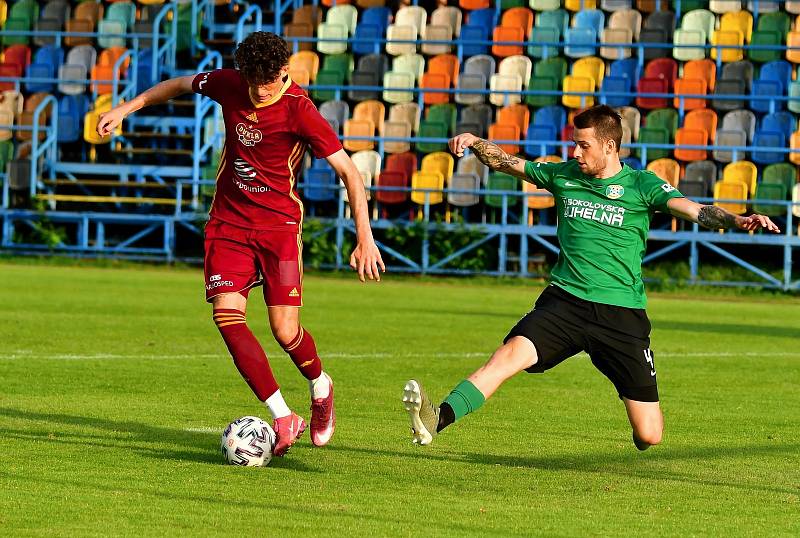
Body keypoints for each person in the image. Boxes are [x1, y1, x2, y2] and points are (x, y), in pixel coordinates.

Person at [402, 105, 780, 451]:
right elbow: (508, 163)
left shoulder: (642, 185)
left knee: (649, 434)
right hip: (565, 302)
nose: (575, 153)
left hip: (621, 314)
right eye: (573, 145)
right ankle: (439, 418)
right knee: (506, 357)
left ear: (610, 146)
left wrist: (738, 219)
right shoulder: (563, 175)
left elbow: (696, 210)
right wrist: (475, 141)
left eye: (583, 146)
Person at [97, 32, 385, 456]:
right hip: (228, 224)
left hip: (279, 229)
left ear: (284, 72)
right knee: (226, 316)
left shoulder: (300, 111)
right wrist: (128, 107)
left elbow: (350, 173)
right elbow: (180, 84)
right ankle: (283, 414)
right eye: (252, 83)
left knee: (284, 330)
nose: (258, 91)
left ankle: (321, 385)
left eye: (266, 83)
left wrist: (364, 236)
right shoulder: (232, 83)